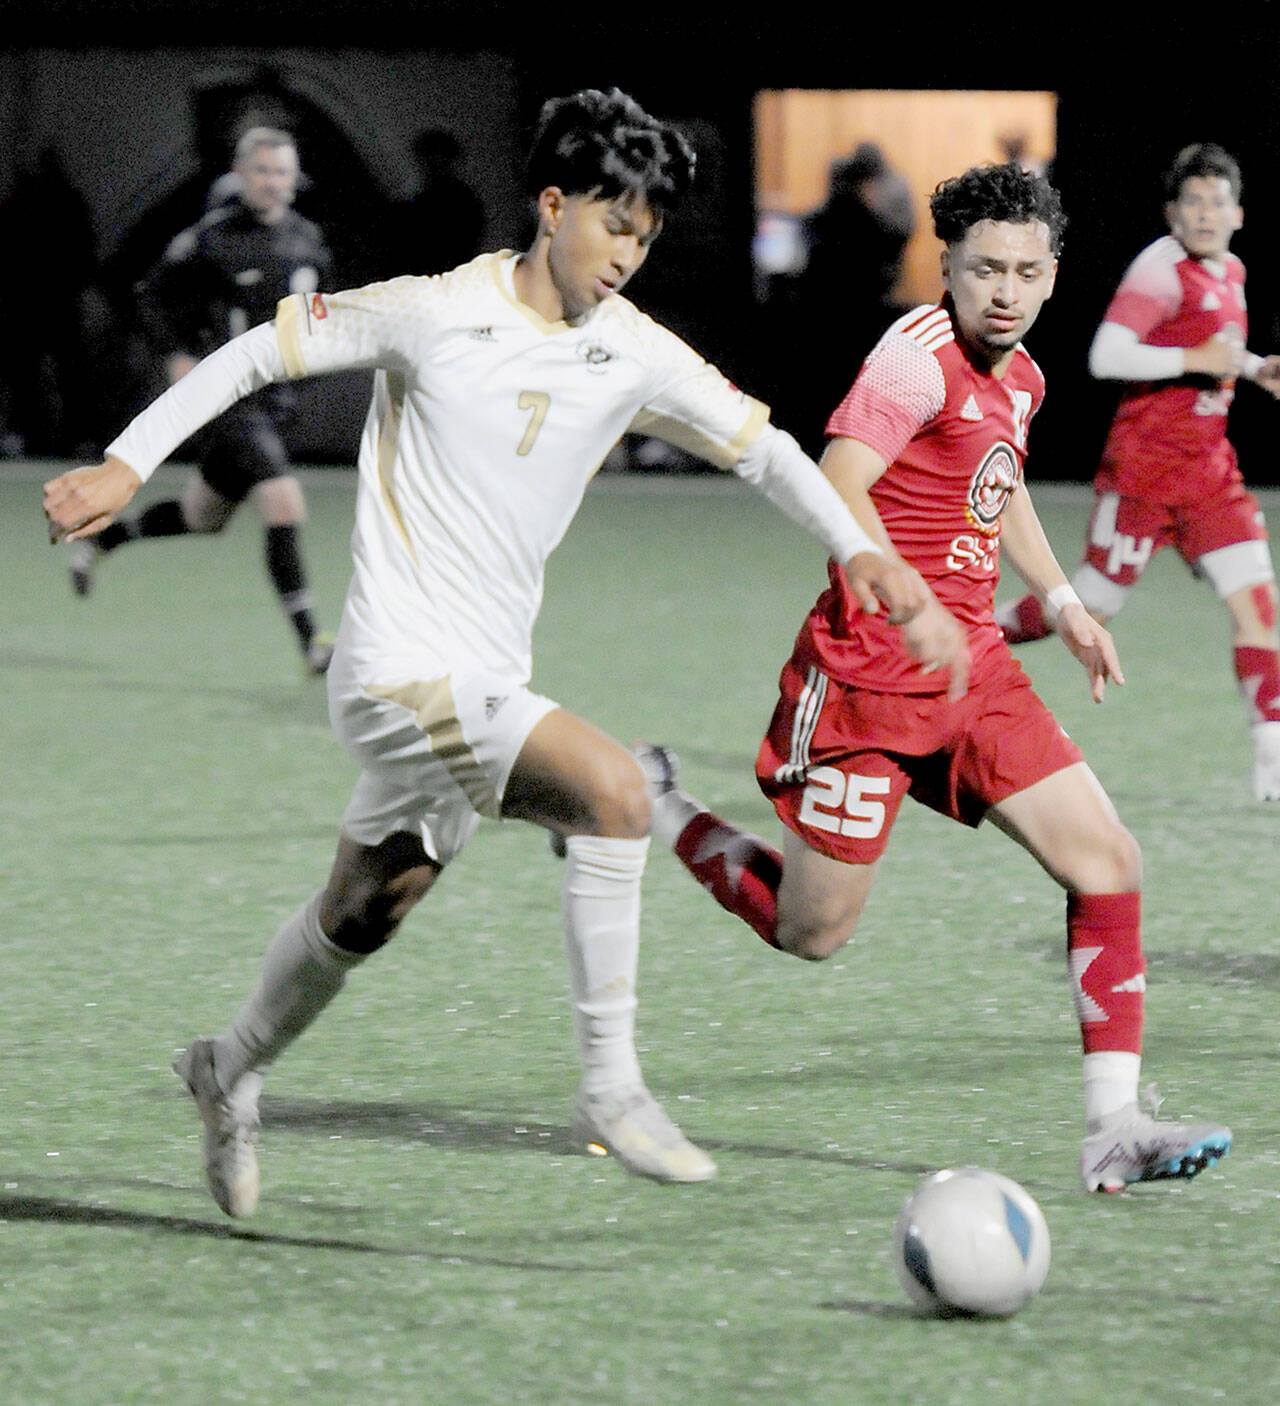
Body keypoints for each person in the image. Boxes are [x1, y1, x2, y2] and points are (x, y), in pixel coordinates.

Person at [44, 88, 945, 1217]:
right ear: (552, 205)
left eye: (646, 237)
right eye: (613, 226)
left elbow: (762, 450)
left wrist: (857, 550)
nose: (627, 256)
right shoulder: (434, 310)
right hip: (395, 670)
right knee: (616, 793)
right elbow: (257, 357)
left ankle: (225, 1068)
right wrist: (127, 464)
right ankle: (611, 1088)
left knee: (367, 907)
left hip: (480, 681)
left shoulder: (631, 348)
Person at [635, 162, 1232, 1193]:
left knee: (1107, 862)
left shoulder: (1024, 377)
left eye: (1026, 272)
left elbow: (998, 490)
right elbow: (839, 477)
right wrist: (909, 604)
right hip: (866, 678)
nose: (1005, 291)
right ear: (946, 265)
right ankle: (657, 802)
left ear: (1053, 276)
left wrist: (1063, 602)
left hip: (973, 673)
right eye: (984, 268)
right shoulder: (913, 359)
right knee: (811, 931)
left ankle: (1113, 1127)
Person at [997, 143, 1280, 800]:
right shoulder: (1160, 268)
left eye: (1217, 202)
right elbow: (1107, 355)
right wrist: (1196, 360)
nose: (1205, 214)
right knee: (1087, 608)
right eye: (1193, 202)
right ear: (1172, 214)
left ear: (1238, 213)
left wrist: (1254, 367)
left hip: (1210, 475)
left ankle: (1272, 754)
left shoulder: (1231, 270)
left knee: (1258, 605)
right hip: (1143, 479)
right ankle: (973, 634)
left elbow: (1212, 347)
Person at [68, 126, 336, 676]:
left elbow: (323, 310)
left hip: (276, 401)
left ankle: (104, 538)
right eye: (262, 171)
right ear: (241, 174)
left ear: (295, 178)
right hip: (227, 394)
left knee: (202, 517)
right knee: (284, 504)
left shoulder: (308, 238)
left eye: (282, 172)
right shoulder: (212, 239)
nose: (273, 182)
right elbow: (148, 297)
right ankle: (314, 643)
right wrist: (176, 354)